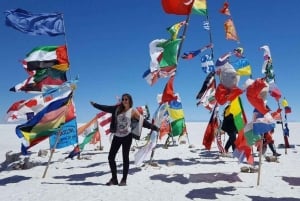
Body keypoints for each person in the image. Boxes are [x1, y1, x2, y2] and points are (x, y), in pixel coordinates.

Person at [90, 93, 159, 186]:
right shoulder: (117, 109)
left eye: (126, 99)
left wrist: (154, 127)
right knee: (111, 157)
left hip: (127, 137)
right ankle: (114, 179)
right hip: (117, 136)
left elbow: (143, 122)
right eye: (123, 99)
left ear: (130, 101)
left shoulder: (133, 111)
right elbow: (106, 108)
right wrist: (95, 105)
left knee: (125, 158)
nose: (124, 101)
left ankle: (124, 180)